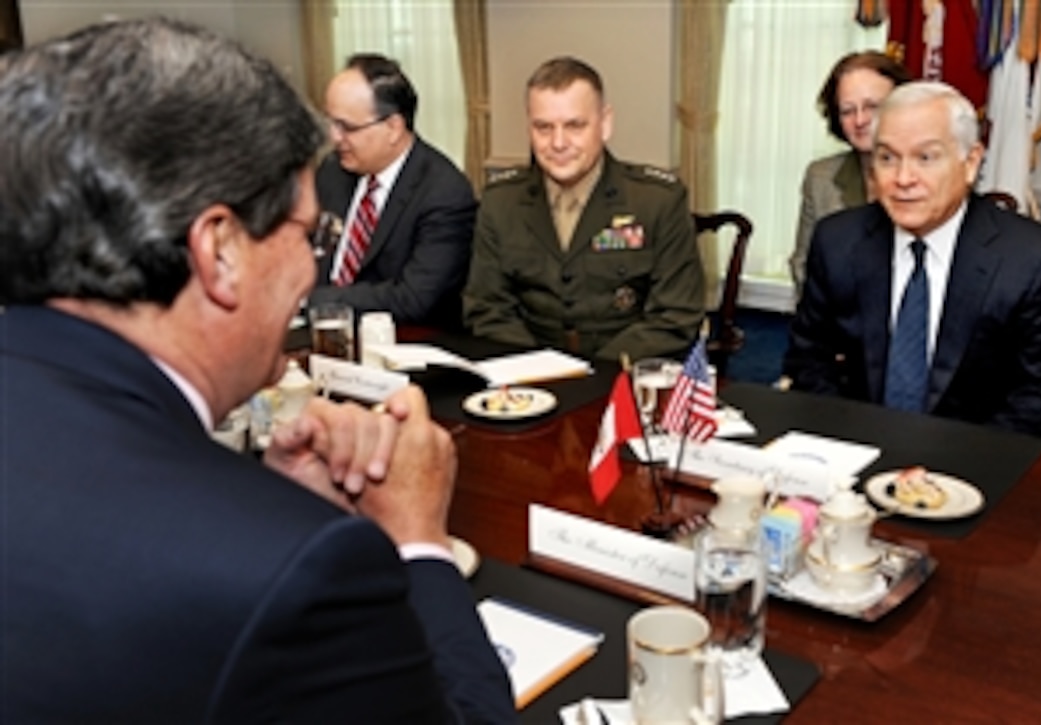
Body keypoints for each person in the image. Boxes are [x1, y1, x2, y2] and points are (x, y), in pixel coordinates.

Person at [0, 18, 515, 723]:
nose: (313, 269)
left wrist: (266, 499)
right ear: (221, 251)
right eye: (307, 234)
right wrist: (419, 542)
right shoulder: (303, 567)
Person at [784, 81, 1041, 441]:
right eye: (887, 158)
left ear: (970, 162)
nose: (903, 179)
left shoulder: (1035, 259)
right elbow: (808, 360)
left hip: (980, 468)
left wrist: (946, 470)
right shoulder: (838, 241)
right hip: (858, 455)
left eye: (926, 157)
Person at [462, 56, 705, 362]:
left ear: (605, 124)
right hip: (528, 381)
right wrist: (540, 370)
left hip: (623, 379)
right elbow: (487, 310)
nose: (558, 143)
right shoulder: (500, 203)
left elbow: (675, 317)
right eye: (543, 127)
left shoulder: (657, 201)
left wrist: (590, 375)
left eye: (575, 125)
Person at [309, 53, 476, 329]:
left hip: (404, 345)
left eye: (347, 127)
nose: (334, 138)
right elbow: (309, 252)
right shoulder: (333, 172)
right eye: (330, 123)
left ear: (393, 128)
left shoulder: (444, 192)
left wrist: (315, 300)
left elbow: (414, 299)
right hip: (319, 334)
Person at [789, 51, 911, 297]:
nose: (860, 120)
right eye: (847, 111)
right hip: (837, 325)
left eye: (872, 107)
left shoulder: (931, 176)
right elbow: (803, 266)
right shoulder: (820, 177)